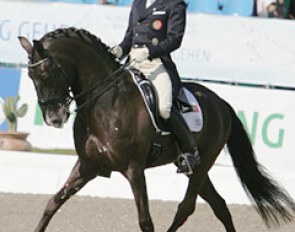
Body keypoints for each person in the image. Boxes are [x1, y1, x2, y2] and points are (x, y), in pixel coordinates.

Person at [111, 0, 200, 175]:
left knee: (164, 108)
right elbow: (129, 37)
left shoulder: (174, 4)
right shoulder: (138, 3)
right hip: (134, 62)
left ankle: (190, 151)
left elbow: (175, 39)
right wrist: (120, 50)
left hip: (157, 64)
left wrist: (150, 51)